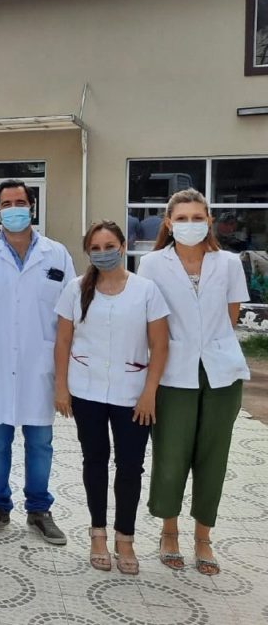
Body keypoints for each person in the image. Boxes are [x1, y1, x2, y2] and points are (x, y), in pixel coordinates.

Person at [137, 189, 250, 576]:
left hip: (221, 372)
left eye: (197, 217)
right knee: (171, 455)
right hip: (173, 372)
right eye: (182, 218)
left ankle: (203, 537)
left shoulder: (229, 263)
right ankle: (169, 532)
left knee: (213, 457)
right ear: (169, 223)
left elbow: (230, 317)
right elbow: (150, 319)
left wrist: (210, 346)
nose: (190, 224)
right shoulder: (152, 264)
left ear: (209, 221)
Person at [0, 179, 75, 544]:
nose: (13, 209)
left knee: (40, 442)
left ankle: (39, 509)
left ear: (32, 207)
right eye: (6, 204)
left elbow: (70, 313)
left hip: (42, 364)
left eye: (20, 202)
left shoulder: (57, 255)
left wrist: (66, 372)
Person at [54, 221, 169, 574]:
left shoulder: (146, 290)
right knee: (95, 461)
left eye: (109, 246)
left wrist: (149, 393)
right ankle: (98, 534)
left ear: (123, 246)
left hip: (132, 393)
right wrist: (61, 387)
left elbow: (160, 345)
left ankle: (125, 538)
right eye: (96, 248)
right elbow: (63, 341)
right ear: (87, 252)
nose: (103, 253)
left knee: (130, 466)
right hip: (86, 390)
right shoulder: (75, 289)